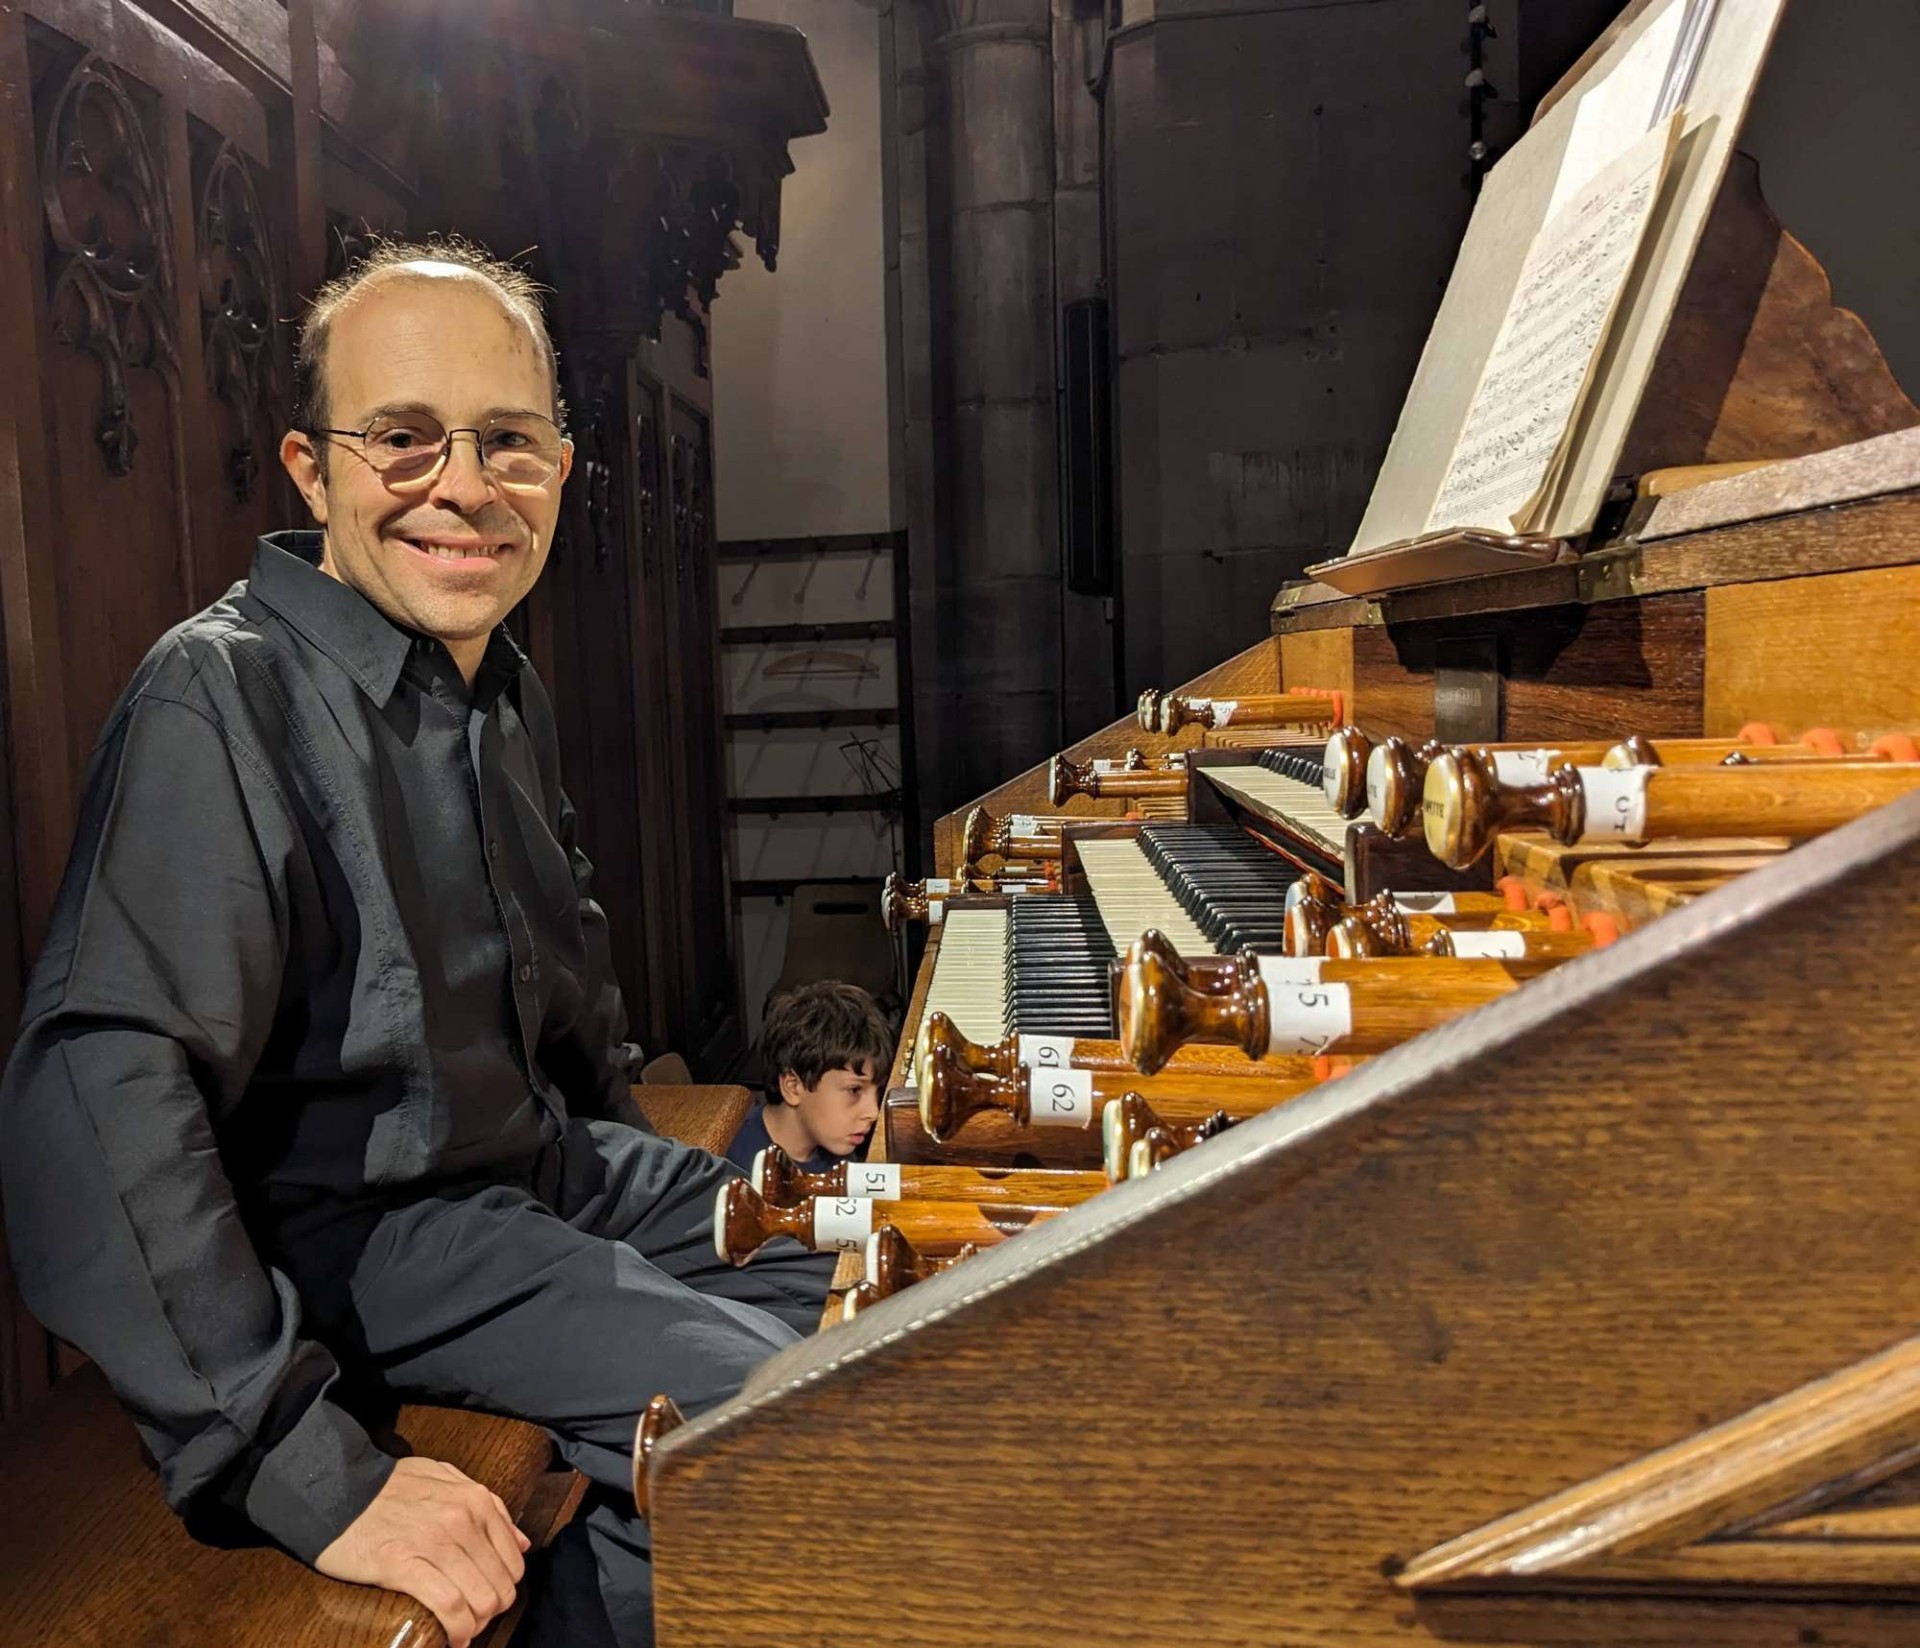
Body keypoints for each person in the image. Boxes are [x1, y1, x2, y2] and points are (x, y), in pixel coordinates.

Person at [0, 239, 829, 1648]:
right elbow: (95, 1098)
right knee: (796, 1437)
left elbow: (558, 1009)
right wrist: (295, 1465)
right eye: (402, 438)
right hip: (367, 1235)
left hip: (544, 1174)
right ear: (312, 471)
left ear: (560, 469)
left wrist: (674, 1199)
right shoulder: (217, 697)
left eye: (507, 441)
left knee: (909, 1286)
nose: (461, 485)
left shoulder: (495, 682)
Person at [724, 981, 891, 1174]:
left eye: (877, 1091)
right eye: (854, 1090)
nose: (873, 1112)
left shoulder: (836, 1144)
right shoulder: (737, 1170)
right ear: (793, 1087)